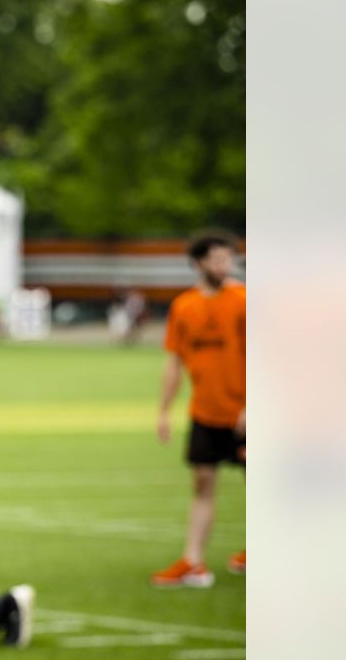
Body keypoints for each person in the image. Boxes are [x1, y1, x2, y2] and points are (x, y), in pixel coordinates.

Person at [152, 230, 246, 587]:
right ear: (198, 263)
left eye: (229, 259)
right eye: (218, 259)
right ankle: (193, 562)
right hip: (205, 412)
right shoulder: (184, 306)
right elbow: (174, 363)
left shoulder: (244, 300)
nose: (225, 266)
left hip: (244, 414)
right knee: (203, 484)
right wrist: (163, 411)